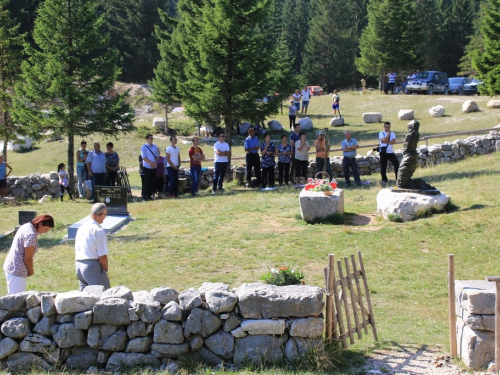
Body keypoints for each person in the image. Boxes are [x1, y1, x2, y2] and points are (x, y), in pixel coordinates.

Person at [3, 215, 54, 294]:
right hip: (17, 271)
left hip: (11, 266)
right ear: (40, 224)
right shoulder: (31, 235)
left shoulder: (26, 226)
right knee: (16, 300)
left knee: (12, 297)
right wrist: (31, 271)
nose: (46, 232)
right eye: (46, 229)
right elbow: (27, 259)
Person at [74, 203, 110, 291]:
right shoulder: (99, 231)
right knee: (105, 295)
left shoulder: (81, 228)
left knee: (84, 298)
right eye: (105, 215)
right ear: (101, 215)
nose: (105, 217)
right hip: (92, 266)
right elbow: (102, 256)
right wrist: (105, 270)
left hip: (79, 265)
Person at [379, 122, 400, 186]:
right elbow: (383, 140)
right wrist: (388, 135)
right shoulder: (381, 133)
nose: (388, 128)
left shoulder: (393, 133)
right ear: (384, 127)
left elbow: (394, 142)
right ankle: (384, 179)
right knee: (383, 166)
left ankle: (398, 178)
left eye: (389, 127)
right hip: (383, 152)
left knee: (397, 165)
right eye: (386, 127)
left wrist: (386, 141)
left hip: (390, 152)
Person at [140, 134, 159, 201]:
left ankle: (149, 196)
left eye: (152, 138)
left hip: (154, 167)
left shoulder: (155, 146)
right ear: (147, 139)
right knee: (146, 182)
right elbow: (144, 157)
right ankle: (144, 196)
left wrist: (155, 163)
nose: (151, 139)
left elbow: (157, 156)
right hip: (147, 167)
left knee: (152, 182)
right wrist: (151, 163)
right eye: (150, 138)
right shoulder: (143, 147)